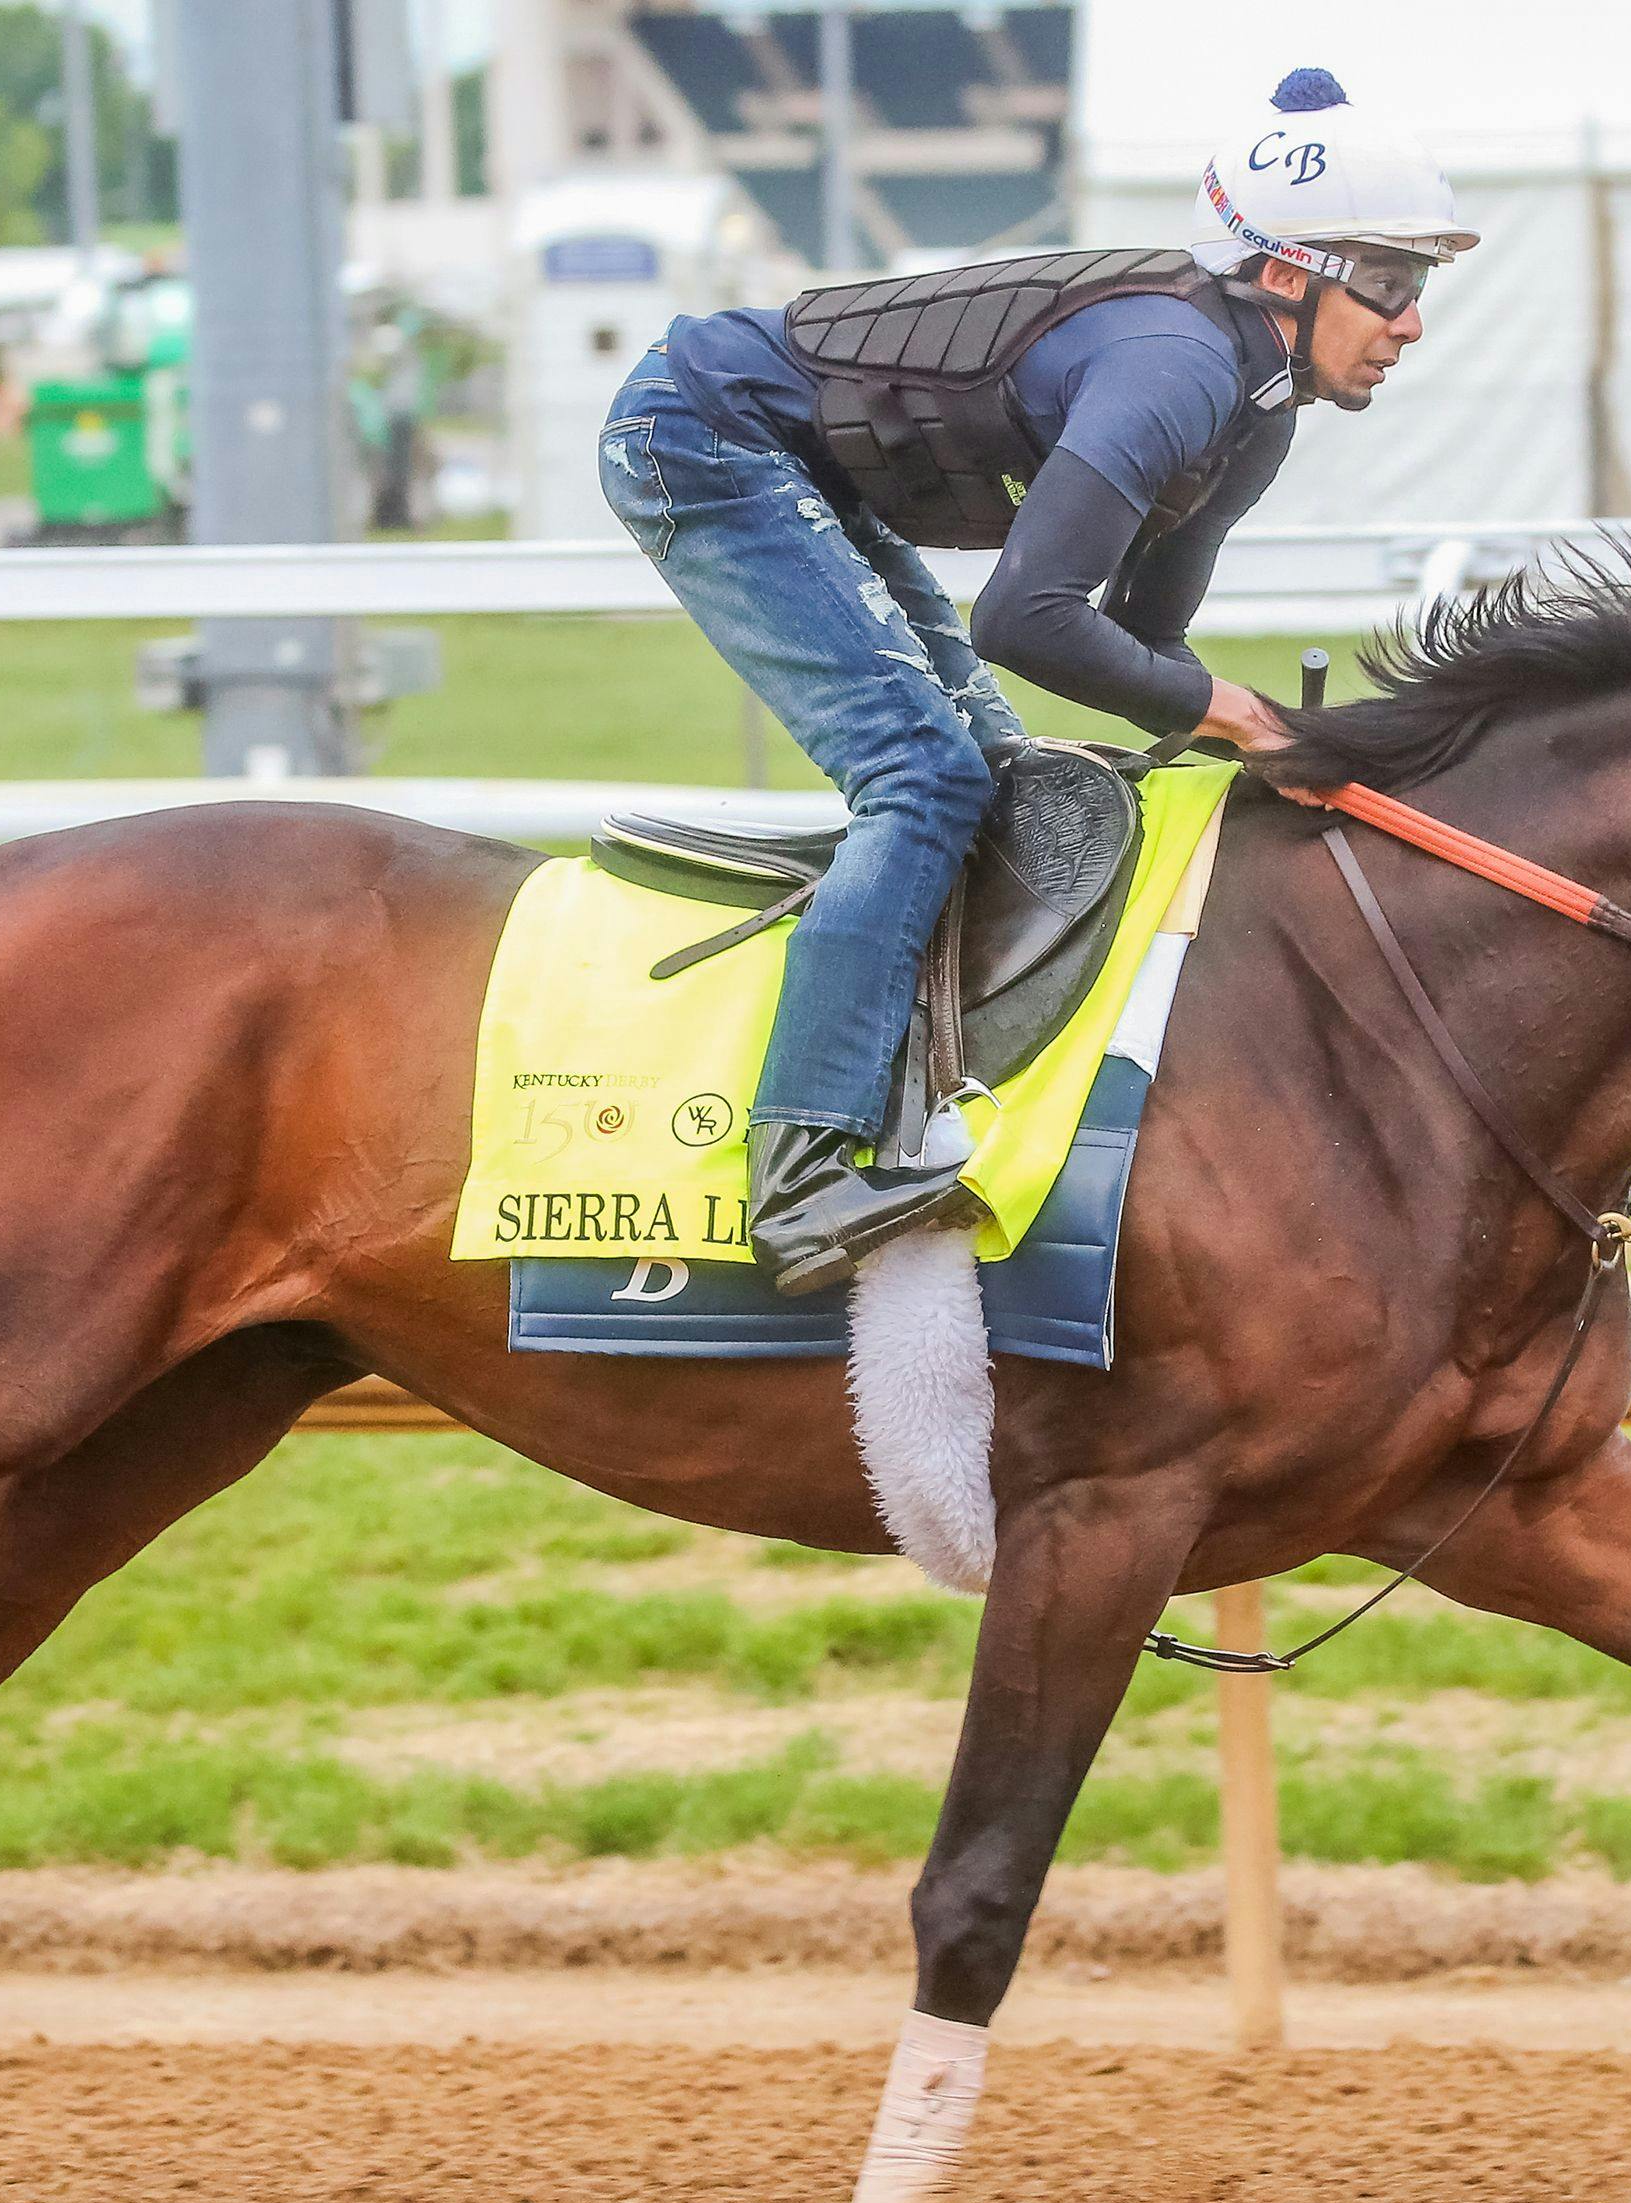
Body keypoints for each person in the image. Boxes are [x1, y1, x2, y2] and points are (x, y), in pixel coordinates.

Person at [596, 68, 1476, 1293]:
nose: (1411, 324)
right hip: (702, 433)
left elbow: (1145, 647)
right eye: (1388, 285)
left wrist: (1293, 753)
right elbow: (1028, 618)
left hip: (809, 472)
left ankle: (928, 1089)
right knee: (926, 779)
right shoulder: (1176, 370)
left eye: (1421, 287)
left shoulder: (1258, 413)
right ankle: (798, 1170)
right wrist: (1248, 721)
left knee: (1000, 777)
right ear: (1288, 271)